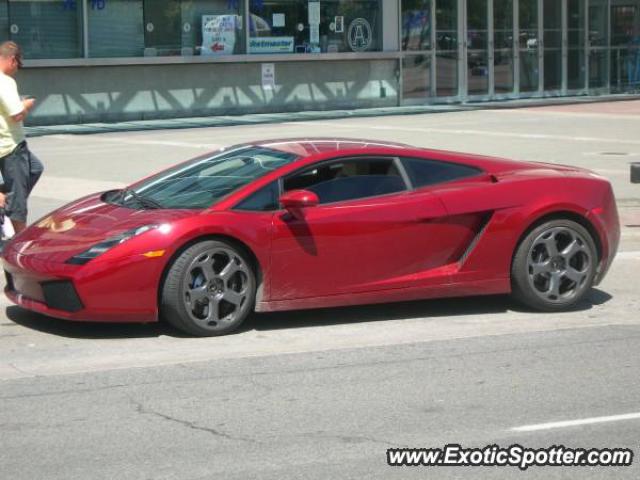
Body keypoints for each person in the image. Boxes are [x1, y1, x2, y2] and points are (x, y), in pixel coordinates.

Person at [0, 41, 42, 235]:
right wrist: (27, 104)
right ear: (11, 59)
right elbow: (16, 115)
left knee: (35, 168)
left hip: (12, 144)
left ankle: (6, 199)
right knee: (18, 203)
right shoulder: (5, 81)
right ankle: (19, 242)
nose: (18, 68)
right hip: (11, 146)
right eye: (18, 63)